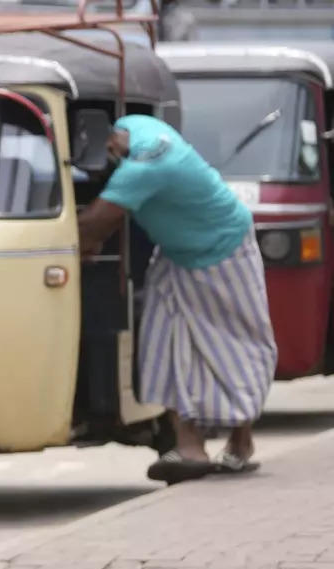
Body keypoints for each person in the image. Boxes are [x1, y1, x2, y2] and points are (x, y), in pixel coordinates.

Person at [77, 114, 277, 484]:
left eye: (107, 152)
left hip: (224, 249)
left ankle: (240, 440)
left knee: (236, 344)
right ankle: (189, 446)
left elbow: (93, 224)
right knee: (165, 339)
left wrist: (78, 239)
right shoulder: (135, 125)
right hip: (175, 253)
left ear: (113, 143)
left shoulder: (144, 166)